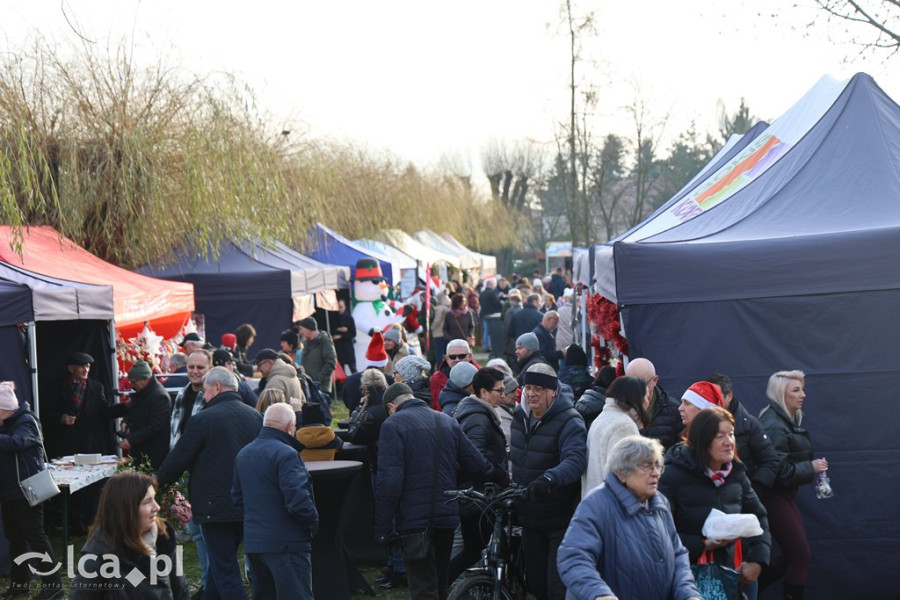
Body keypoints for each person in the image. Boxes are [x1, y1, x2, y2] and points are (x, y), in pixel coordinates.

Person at [375, 383, 506, 600]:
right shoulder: (445, 420)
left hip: (414, 521)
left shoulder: (393, 424)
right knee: (439, 584)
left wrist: (382, 527)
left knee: (423, 588)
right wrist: (500, 476)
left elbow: (389, 481)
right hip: (446, 514)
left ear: (391, 406)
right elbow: (476, 464)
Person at [157, 367, 263, 600]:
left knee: (224, 567)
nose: (203, 397)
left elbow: (177, 460)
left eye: (205, 391)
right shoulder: (255, 416)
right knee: (220, 562)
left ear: (216, 388)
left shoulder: (203, 419)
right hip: (248, 502)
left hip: (215, 506)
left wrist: (153, 484)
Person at [557, 436, 701, 600]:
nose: (655, 473)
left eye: (657, 466)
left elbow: (677, 555)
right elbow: (574, 557)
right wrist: (599, 594)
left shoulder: (660, 503)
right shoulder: (596, 504)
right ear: (621, 472)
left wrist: (688, 594)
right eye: (646, 466)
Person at [659, 407, 771, 599]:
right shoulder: (672, 476)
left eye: (731, 434)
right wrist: (703, 545)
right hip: (683, 582)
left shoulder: (736, 474)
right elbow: (659, 531)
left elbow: (759, 516)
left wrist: (758, 561)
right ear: (702, 441)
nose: (729, 442)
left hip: (727, 579)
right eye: (720, 436)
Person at [510, 363, 587, 600]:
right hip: (529, 518)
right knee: (535, 584)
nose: (532, 393)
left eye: (539, 389)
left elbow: (575, 461)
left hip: (559, 520)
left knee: (557, 589)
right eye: (528, 387)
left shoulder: (570, 421)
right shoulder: (519, 417)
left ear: (553, 391)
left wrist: (549, 478)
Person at [233, 403, 318, 600]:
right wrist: (312, 524)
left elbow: (237, 499)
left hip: (255, 544)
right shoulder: (287, 454)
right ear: (290, 427)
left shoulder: (244, 453)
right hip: (288, 544)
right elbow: (298, 501)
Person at [757, 370, 827, 600]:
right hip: (773, 497)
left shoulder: (786, 420)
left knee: (793, 556)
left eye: (802, 389)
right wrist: (812, 467)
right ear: (781, 394)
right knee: (800, 557)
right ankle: (743, 591)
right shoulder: (774, 425)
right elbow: (778, 472)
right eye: (796, 390)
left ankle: (744, 591)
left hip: (783, 497)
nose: (803, 394)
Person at [68, 471, 189, 600]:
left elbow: (180, 590)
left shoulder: (162, 537)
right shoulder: (96, 561)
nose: (157, 507)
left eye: (154, 499)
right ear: (126, 510)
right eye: (147, 502)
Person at [0, 383, 64, 600]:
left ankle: (53, 585)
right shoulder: (8, 423)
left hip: (28, 490)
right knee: (15, 538)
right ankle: (20, 584)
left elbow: (17, 443)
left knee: (36, 537)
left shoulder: (27, 421)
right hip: (9, 491)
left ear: (5, 409)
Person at [448, 367, 509, 584]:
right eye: (499, 391)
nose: (502, 395)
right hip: (478, 495)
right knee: (474, 549)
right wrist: (499, 474)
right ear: (483, 392)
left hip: (474, 494)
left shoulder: (476, 411)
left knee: (473, 550)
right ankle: (444, 586)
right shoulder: (479, 418)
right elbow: (475, 458)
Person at [707, 373, 780, 491]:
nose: (710, 400)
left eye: (715, 395)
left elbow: (770, 461)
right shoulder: (697, 423)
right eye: (707, 395)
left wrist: (753, 491)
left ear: (729, 396)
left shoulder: (749, 424)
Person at [582, 376, 650, 496]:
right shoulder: (624, 426)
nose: (647, 402)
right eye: (646, 397)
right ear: (636, 399)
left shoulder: (603, 418)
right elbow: (625, 478)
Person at [43, 351, 115, 459]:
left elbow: (105, 410)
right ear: (71, 369)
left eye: (88, 366)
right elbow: (44, 412)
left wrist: (125, 407)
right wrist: (61, 418)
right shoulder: (56, 387)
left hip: (88, 444)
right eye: (82, 366)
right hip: (64, 444)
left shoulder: (96, 387)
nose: (86, 370)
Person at [107, 360, 172, 471]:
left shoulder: (160, 397)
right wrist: (126, 422)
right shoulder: (143, 392)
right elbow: (134, 410)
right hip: (141, 449)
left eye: (134, 382)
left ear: (144, 379)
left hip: (154, 451)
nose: (132, 386)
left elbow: (155, 426)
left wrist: (131, 440)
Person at [625, 357, 682, 449]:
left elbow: (680, 449)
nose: (635, 389)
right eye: (631, 383)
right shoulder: (619, 408)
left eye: (641, 384)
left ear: (655, 380)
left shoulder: (674, 409)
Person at [170, 349, 211, 448]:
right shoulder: (180, 395)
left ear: (211, 369)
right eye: (191, 367)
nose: (195, 371)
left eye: (200, 367)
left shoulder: (213, 398)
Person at [428, 338, 480, 409]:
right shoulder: (436, 380)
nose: (457, 360)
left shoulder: (482, 376)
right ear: (447, 358)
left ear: (470, 356)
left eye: (462, 356)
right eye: (453, 357)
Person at [297, 316, 337, 395]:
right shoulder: (305, 342)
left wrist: (319, 379)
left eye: (301, 329)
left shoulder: (324, 340)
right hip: (308, 385)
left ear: (308, 328)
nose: (300, 332)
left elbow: (331, 361)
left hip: (321, 387)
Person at [330, 299, 357, 375]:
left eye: (341, 307)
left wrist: (341, 336)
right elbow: (330, 330)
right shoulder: (333, 318)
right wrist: (339, 329)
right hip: (338, 348)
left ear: (345, 307)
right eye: (338, 307)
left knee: (353, 368)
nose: (339, 309)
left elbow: (353, 333)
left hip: (348, 347)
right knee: (341, 371)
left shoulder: (349, 318)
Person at [478, 278, 504, 358]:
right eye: (493, 285)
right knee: (492, 332)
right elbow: (497, 303)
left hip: (483, 314)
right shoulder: (491, 293)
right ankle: (492, 346)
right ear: (490, 285)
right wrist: (501, 302)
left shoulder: (482, 293)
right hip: (492, 315)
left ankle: (486, 346)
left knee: (486, 331)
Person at [430, 291, 452, 366]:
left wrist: (432, 328)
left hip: (438, 332)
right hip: (447, 333)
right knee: (446, 351)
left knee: (439, 352)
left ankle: (440, 367)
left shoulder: (440, 308)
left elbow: (437, 320)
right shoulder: (450, 307)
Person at [502, 289, 523, 368]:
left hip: (511, 337)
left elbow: (507, 325)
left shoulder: (510, 311)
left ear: (513, 301)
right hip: (520, 336)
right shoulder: (522, 310)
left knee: (512, 355)